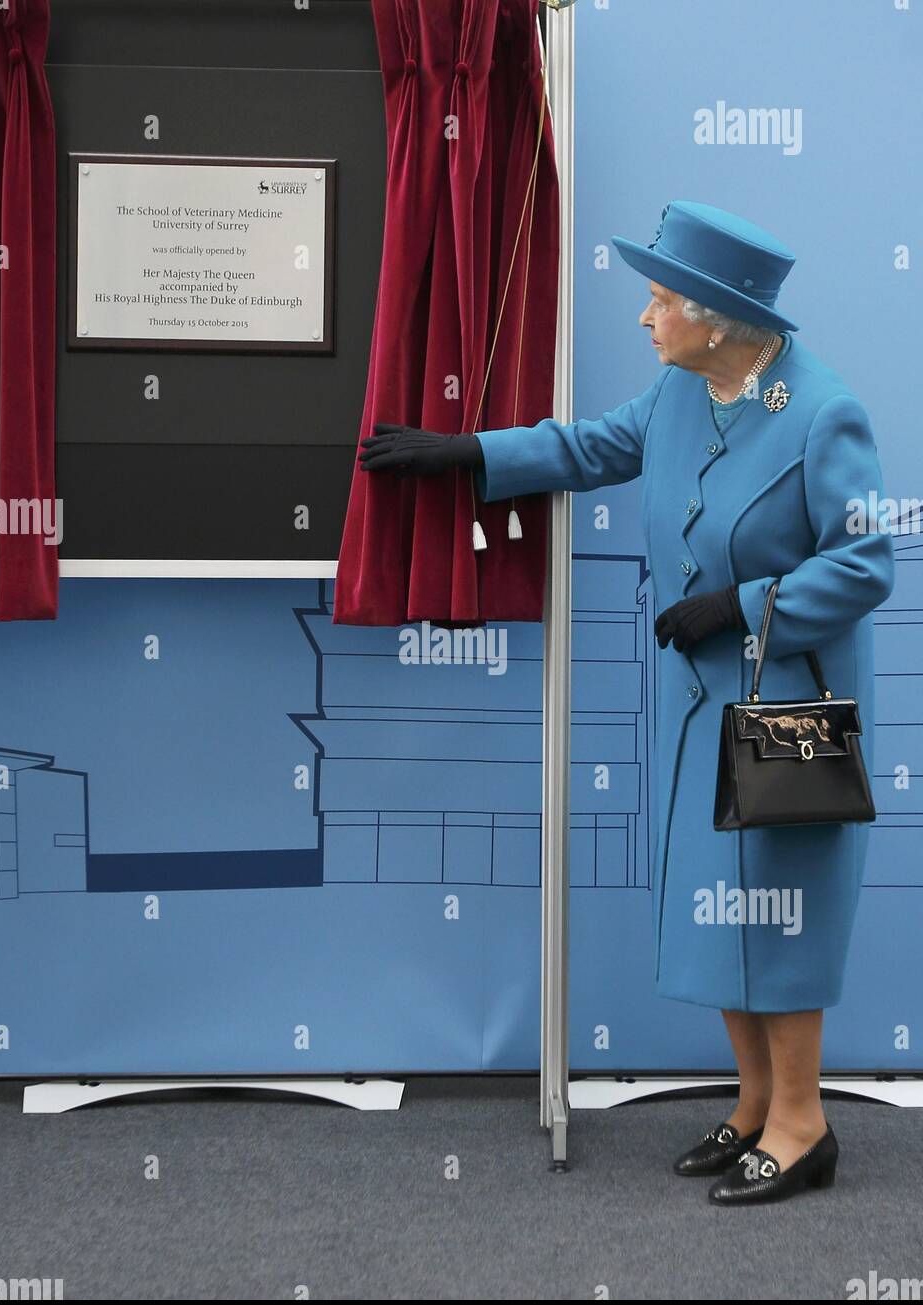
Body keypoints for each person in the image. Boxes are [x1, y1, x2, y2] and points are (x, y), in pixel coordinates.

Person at [358, 201, 895, 1206]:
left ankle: (804, 1123)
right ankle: (752, 1108)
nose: (645, 319)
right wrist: (470, 454)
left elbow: (867, 563)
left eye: (660, 301)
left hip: (783, 714)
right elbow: (591, 447)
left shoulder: (826, 413)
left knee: (779, 923)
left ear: (722, 320)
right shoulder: (679, 392)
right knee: (718, 915)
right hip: (697, 713)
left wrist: (736, 606)